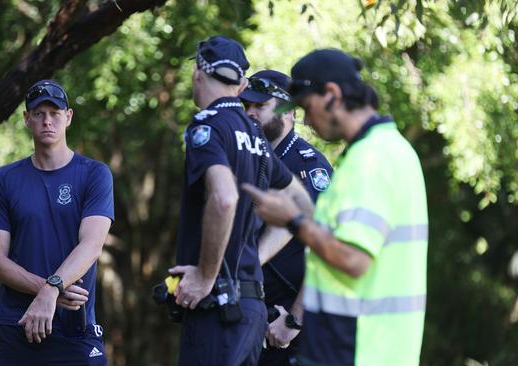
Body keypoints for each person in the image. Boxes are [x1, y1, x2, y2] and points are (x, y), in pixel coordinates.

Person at [243, 49, 428, 366]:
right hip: (374, 347)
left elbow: (354, 259)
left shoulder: (371, 161)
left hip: (359, 348)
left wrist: (293, 221)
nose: (307, 119)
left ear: (332, 95)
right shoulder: (390, 149)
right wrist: (298, 202)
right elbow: (338, 234)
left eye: (307, 107)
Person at [168, 36, 313, 366]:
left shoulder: (208, 126)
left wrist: (207, 275)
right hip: (251, 310)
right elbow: (302, 204)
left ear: (197, 74)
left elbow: (224, 198)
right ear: (242, 83)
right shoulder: (256, 137)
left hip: (217, 309)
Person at [0, 80, 114, 365]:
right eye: (39, 113)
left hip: (74, 327)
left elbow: (91, 244)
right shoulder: (4, 179)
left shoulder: (94, 174)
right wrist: (47, 291)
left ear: (68, 117)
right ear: (26, 119)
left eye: (55, 113)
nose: (47, 121)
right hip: (15, 327)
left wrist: (51, 291)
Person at [239, 70, 333, 366]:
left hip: (285, 328)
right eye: (247, 106)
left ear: (288, 111)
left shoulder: (309, 166)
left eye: (260, 106)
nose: (250, 113)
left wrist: (293, 322)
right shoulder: (246, 158)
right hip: (246, 314)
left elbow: (326, 253)